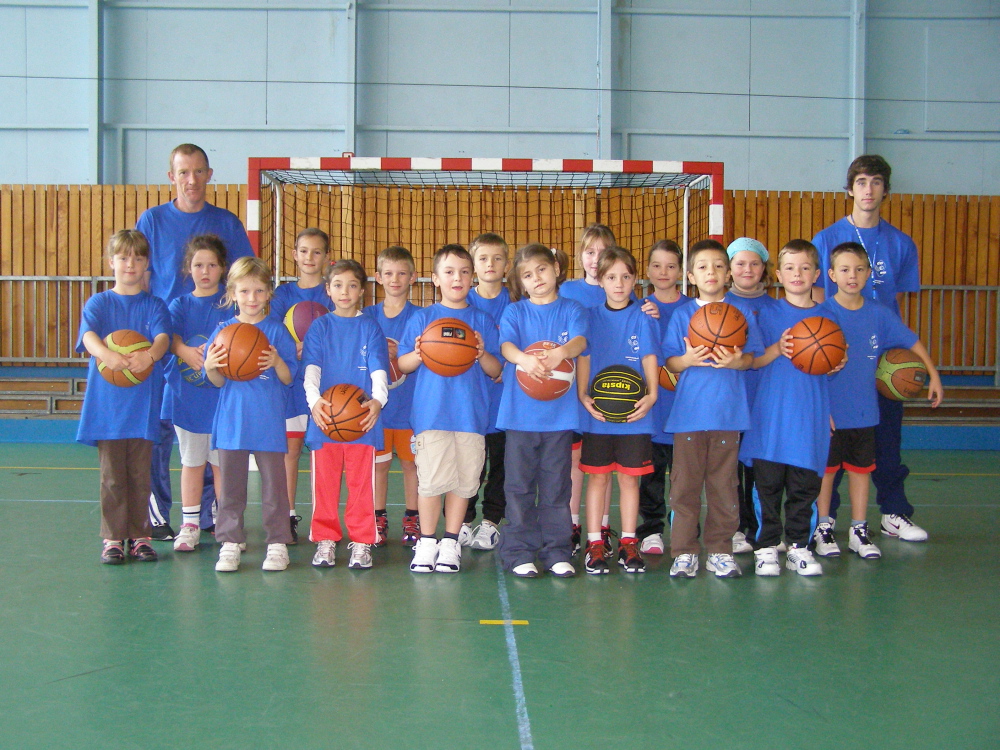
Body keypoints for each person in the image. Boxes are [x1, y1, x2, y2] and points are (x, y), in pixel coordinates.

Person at [137, 143, 254, 540]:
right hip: (167, 342)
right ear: (171, 176)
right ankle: (158, 511)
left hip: (216, 344)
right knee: (164, 430)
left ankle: (207, 514)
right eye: (183, 172)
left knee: (210, 430)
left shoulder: (227, 223)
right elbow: (142, 279)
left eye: (199, 171)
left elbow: (245, 280)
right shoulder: (152, 221)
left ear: (209, 174)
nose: (191, 180)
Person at [812, 155, 928, 542]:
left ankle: (893, 513)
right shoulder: (826, 240)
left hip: (882, 362)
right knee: (833, 448)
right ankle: (825, 521)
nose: (868, 189)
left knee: (885, 442)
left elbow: (899, 307)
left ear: (886, 191)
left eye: (876, 182)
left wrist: (903, 359)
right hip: (835, 359)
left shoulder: (901, 243)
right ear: (850, 189)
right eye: (861, 182)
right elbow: (812, 303)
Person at [814, 242, 943, 558]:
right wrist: (817, 409)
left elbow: (911, 340)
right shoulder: (823, 314)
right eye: (844, 270)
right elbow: (811, 365)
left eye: (859, 269)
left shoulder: (879, 314)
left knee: (860, 473)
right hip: (831, 413)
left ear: (869, 274)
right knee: (827, 473)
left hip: (865, 413)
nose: (852, 276)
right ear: (831, 275)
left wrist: (933, 374)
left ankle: (859, 529)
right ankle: (823, 527)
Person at [397, 244, 503, 574]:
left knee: (463, 484)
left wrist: (482, 352)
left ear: (472, 279)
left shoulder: (481, 320)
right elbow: (402, 364)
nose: (457, 277)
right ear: (435, 279)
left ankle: (450, 542)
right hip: (432, 415)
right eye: (449, 271)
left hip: (471, 418)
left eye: (463, 271)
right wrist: (418, 353)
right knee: (430, 483)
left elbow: (496, 370)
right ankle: (427, 542)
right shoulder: (422, 319)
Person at [662, 240, 762, 579]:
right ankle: (684, 551)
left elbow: (753, 359)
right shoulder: (683, 313)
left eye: (719, 266)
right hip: (689, 415)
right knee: (684, 486)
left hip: (728, 414)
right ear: (691, 275)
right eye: (703, 266)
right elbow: (671, 362)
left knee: (724, 486)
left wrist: (738, 361)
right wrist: (687, 360)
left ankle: (720, 549)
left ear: (729, 273)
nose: (712, 272)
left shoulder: (742, 314)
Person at [76, 229, 170, 564]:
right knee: (113, 476)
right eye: (124, 257)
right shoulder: (100, 302)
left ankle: (141, 536)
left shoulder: (154, 304)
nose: (131, 264)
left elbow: (163, 337)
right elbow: (87, 335)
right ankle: (114, 538)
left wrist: (151, 355)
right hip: (108, 408)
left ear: (147, 263)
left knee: (140, 476)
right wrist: (105, 354)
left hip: (142, 404)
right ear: (111, 261)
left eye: (138, 257)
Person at [742, 240, 833, 576]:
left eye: (805, 268)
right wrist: (778, 348)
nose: (798, 274)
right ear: (778, 274)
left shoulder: (828, 315)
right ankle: (766, 546)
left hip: (809, 415)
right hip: (770, 415)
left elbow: (838, 360)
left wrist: (836, 362)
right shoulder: (764, 315)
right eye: (791, 268)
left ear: (817, 274)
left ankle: (798, 546)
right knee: (767, 485)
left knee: (803, 485)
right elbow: (753, 361)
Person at [496, 244, 588, 578]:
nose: (537, 278)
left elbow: (580, 342)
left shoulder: (572, 308)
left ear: (557, 269)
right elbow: (506, 346)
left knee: (556, 487)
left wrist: (559, 352)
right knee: (519, 487)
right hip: (520, 417)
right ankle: (519, 552)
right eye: (527, 275)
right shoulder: (515, 312)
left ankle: (557, 550)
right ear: (520, 282)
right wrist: (525, 359)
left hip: (559, 418)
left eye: (542, 269)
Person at [204, 257, 297, 572]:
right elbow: (217, 381)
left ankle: (277, 542)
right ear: (232, 293)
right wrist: (209, 367)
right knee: (230, 487)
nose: (252, 298)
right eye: (244, 291)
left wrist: (277, 363)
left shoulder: (277, 332)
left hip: (268, 420)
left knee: (274, 488)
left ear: (269, 293)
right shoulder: (222, 332)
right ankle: (230, 541)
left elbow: (288, 378)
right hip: (232, 421)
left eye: (259, 291)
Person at [577, 246, 660, 575]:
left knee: (629, 481)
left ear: (635, 279)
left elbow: (649, 357)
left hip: (634, 413)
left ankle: (628, 542)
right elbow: (584, 356)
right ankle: (595, 543)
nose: (619, 283)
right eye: (612, 277)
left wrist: (652, 394)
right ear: (600, 280)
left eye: (626, 276)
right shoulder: (591, 317)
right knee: (596, 480)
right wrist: (583, 395)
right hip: (598, 414)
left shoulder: (643, 315)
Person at [304, 259, 389, 570]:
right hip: (326, 418)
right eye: (338, 285)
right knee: (323, 485)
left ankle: (363, 541)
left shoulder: (369, 326)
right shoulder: (320, 326)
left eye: (352, 285)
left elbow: (379, 368)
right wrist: (314, 402)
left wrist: (378, 401)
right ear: (328, 289)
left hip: (361, 419)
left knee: (361, 486)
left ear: (361, 291)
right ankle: (325, 539)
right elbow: (311, 369)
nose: (345, 291)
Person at [164, 234, 231, 552]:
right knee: (191, 462)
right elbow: (168, 337)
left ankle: (225, 523)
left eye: (212, 265)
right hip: (188, 397)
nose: (205, 271)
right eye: (198, 264)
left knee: (222, 465)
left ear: (222, 269)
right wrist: (185, 350)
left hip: (222, 399)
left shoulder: (231, 304)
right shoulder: (180, 304)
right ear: (187, 269)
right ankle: (189, 524)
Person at [268, 228, 333, 543]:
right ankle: (289, 513)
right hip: (292, 385)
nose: (310, 257)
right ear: (294, 254)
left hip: (327, 384)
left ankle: (325, 517)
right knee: (291, 451)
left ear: (327, 257)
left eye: (317, 251)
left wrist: (317, 349)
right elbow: (270, 333)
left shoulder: (332, 292)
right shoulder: (281, 295)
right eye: (304, 251)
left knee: (324, 452)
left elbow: (340, 331)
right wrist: (286, 349)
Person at [363, 246, 422, 546]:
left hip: (410, 407)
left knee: (412, 465)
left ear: (412, 277)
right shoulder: (367, 316)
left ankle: (413, 518)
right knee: (380, 465)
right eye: (388, 273)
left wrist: (404, 354)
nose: (395, 279)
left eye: (401, 273)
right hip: (378, 411)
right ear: (378, 277)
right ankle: (377, 517)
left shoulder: (420, 317)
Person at [726, 237, 778, 555]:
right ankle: (736, 528)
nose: (748, 269)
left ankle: (763, 528)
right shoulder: (717, 306)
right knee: (730, 469)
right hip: (732, 400)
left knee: (761, 470)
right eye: (740, 263)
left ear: (764, 269)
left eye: (754, 263)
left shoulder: (777, 308)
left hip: (767, 398)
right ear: (729, 269)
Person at [637, 240, 688, 555]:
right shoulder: (640, 307)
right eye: (657, 265)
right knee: (652, 475)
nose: (664, 272)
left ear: (681, 271)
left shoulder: (694, 309)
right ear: (647, 270)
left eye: (671, 266)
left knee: (685, 479)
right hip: (653, 409)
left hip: (685, 408)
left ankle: (684, 529)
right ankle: (651, 529)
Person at [462, 232, 512, 550]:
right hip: (470, 400)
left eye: (497, 258)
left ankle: (491, 522)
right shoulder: (461, 301)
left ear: (506, 265)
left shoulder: (518, 302)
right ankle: (463, 521)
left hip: (506, 401)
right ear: (473, 265)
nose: (490, 264)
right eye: (483, 258)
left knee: (501, 466)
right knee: (468, 465)